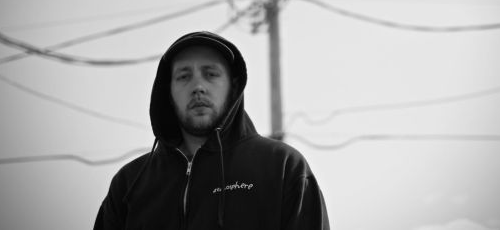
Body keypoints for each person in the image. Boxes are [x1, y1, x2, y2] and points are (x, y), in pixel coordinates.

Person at [94, 31, 330, 229]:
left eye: (211, 74)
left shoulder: (283, 167)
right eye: (184, 76)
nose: (198, 86)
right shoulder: (129, 184)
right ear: (168, 91)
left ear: (233, 86)